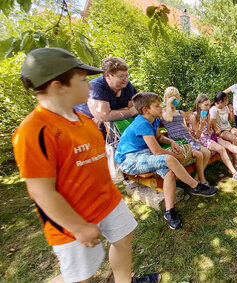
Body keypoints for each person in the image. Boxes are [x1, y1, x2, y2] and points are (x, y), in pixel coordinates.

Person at [13, 47, 160, 283]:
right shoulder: (34, 131)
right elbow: (41, 191)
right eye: (82, 79)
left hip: (107, 202)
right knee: (80, 276)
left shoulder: (85, 122)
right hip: (73, 219)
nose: (90, 85)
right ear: (58, 86)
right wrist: (79, 227)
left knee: (124, 239)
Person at [115, 92, 218, 230]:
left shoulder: (154, 119)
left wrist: (170, 141)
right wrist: (177, 157)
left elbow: (159, 137)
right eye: (157, 106)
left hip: (145, 154)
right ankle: (196, 186)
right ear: (146, 110)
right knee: (170, 158)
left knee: (170, 172)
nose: (161, 108)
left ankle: (169, 211)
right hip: (129, 159)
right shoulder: (141, 123)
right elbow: (157, 152)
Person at [189, 94, 237, 184]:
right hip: (201, 139)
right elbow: (197, 135)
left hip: (209, 136)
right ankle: (235, 173)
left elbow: (208, 130)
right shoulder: (193, 116)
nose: (208, 107)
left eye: (209, 105)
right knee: (221, 149)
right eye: (206, 105)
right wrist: (201, 124)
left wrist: (216, 131)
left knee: (228, 145)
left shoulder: (207, 114)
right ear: (198, 104)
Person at [161, 86, 212, 185]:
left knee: (207, 152)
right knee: (199, 154)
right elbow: (169, 119)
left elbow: (186, 128)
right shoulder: (164, 112)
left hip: (188, 139)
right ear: (166, 98)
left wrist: (193, 138)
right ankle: (203, 180)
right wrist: (168, 104)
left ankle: (197, 177)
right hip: (179, 142)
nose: (174, 99)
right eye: (171, 97)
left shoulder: (181, 112)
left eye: (175, 97)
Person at [74, 57, 138, 131]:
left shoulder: (127, 85)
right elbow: (104, 116)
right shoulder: (97, 87)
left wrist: (110, 115)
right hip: (86, 127)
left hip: (112, 129)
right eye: (121, 76)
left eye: (127, 75)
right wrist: (130, 112)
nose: (126, 79)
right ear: (107, 75)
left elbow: (133, 107)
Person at [210, 91, 237, 173]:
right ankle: (236, 163)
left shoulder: (225, 107)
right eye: (226, 100)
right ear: (221, 101)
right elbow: (213, 125)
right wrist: (218, 134)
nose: (227, 102)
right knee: (235, 139)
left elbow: (231, 119)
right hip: (221, 131)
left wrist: (231, 110)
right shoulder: (214, 110)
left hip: (229, 128)